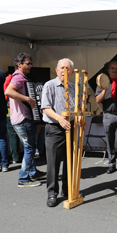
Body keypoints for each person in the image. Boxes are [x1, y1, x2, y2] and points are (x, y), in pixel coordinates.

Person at [41, 58, 87, 207]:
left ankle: (68, 191)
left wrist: (81, 117)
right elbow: (46, 108)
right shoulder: (49, 85)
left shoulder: (73, 87)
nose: (64, 71)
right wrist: (59, 118)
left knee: (70, 161)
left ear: (72, 72)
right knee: (53, 162)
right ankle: (52, 193)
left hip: (71, 127)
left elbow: (78, 108)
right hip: (54, 128)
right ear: (56, 70)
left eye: (68, 69)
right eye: (62, 68)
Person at [5, 53, 46, 187]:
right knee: (29, 148)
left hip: (21, 118)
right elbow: (8, 92)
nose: (30, 66)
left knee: (30, 147)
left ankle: (33, 172)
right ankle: (23, 178)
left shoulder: (21, 78)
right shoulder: (18, 78)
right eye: (28, 63)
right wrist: (28, 99)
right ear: (19, 64)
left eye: (30, 63)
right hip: (23, 119)